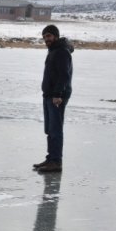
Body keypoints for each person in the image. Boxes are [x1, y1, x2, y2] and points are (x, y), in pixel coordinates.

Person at [33, 24, 73, 173]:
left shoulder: (62, 52)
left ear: (55, 36)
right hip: (49, 94)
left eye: (48, 36)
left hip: (57, 96)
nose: (46, 39)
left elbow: (64, 75)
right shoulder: (53, 51)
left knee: (55, 129)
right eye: (44, 37)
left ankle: (56, 161)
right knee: (50, 129)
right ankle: (51, 158)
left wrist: (57, 94)